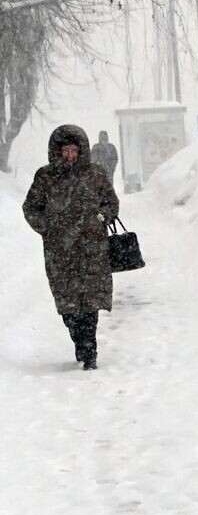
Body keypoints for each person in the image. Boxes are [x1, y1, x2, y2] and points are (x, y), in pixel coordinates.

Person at [22, 125, 120, 370]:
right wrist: (48, 228)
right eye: (65, 150)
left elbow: (111, 202)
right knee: (69, 307)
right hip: (60, 252)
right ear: (57, 151)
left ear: (81, 150)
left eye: (74, 150)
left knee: (90, 303)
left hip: (92, 249)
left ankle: (89, 350)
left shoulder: (95, 174)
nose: (69, 155)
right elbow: (31, 207)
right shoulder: (45, 177)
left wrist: (101, 216)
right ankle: (79, 340)